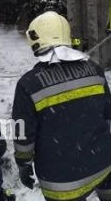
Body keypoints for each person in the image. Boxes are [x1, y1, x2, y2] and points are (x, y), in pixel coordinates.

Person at [12, 11, 111, 200]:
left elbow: (23, 133)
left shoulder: (28, 84)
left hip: (62, 182)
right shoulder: (95, 71)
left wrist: (23, 164)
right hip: (104, 166)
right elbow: (107, 114)